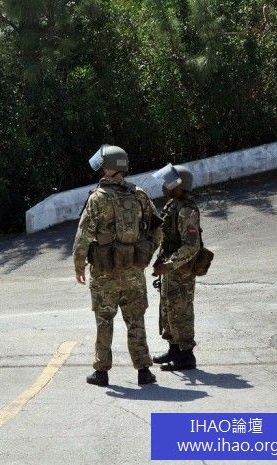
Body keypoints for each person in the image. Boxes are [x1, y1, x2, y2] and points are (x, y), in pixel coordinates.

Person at [72, 145, 162, 386]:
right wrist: (145, 254)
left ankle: (101, 372)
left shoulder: (98, 198)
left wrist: (79, 266)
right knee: (136, 321)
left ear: (109, 168)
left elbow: (83, 236)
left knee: (104, 321)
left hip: (105, 274)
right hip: (134, 273)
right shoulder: (139, 194)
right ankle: (144, 371)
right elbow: (157, 229)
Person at [151, 164, 200, 371]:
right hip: (171, 269)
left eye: (169, 183)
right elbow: (167, 237)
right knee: (168, 309)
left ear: (180, 185)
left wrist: (170, 264)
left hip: (182, 270)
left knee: (181, 311)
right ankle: (173, 349)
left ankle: (186, 356)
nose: (165, 186)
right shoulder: (173, 205)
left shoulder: (187, 210)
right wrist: (160, 260)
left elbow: (191, 246)